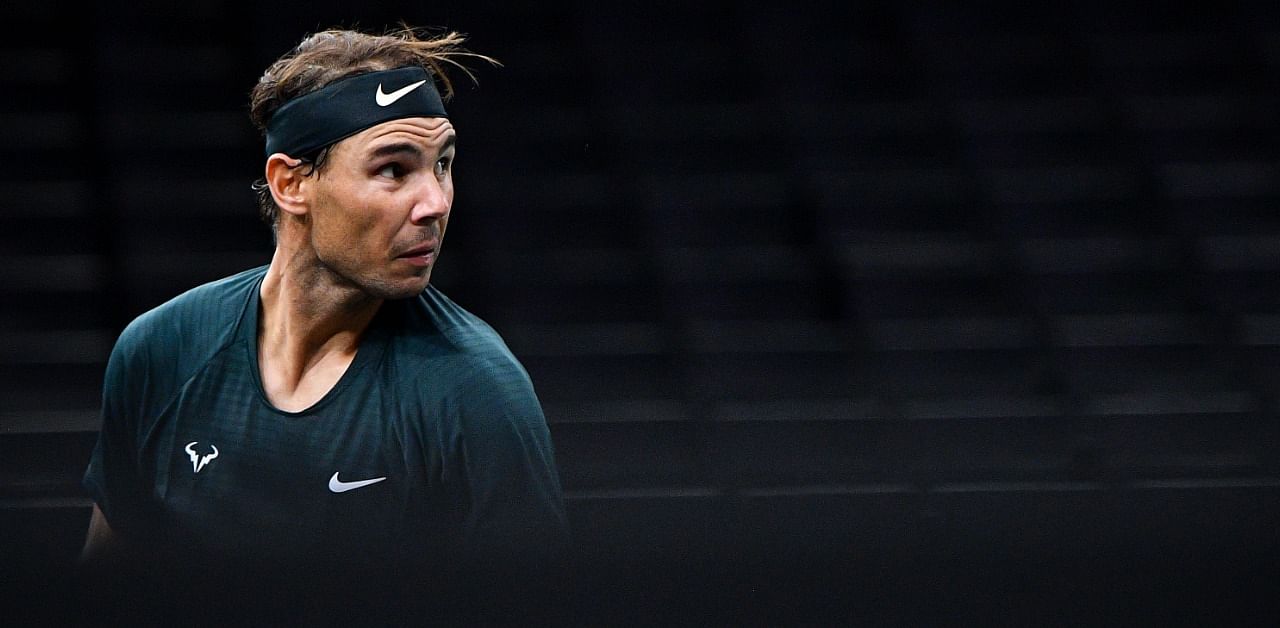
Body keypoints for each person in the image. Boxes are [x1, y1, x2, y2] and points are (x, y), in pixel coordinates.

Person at [77, 25, 570, 624]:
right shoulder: (162, 349)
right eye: (393, 169)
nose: (436, 202)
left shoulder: (477, 391)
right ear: (292, 184)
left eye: (442, 165)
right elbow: (103, 586)